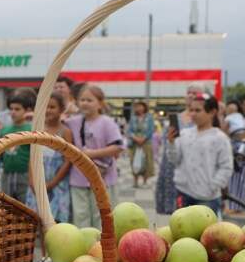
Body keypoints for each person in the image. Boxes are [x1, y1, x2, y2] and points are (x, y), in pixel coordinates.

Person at [66, 85, 124, 228]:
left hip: (103, 178)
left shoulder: (107, 122)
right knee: (80, 217)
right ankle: (85, 248)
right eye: (82, 100)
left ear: (100, 103)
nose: (85, 103)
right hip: (79, 178)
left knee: (102, 217)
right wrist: (67, 110)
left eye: (89, 100)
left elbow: (118, 147)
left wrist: (91, 154)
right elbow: (56, 124)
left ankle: (101, 248)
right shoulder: (73, 121)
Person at [167, 94, 233, 215]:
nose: (193, 114)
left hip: (207, 198)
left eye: (198, 110)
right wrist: (171, 143)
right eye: (191, 110)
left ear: (212, 112)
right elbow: (174, 159)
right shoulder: (185, 134)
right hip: (183, 192)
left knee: (205, 233)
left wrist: (212, 186)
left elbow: (226, 167)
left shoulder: (220, 138)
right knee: (182, 232)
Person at [25, 92, 73, 223]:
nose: (48, 110)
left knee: (55, 221)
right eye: (45, 107)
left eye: (52, 107)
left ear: (61, 110)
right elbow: (32, 156)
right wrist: (32, 181)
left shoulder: (65, 132)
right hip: (37, 183)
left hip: (57, 184)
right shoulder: (37, 130)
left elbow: (68, 161)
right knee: (38, 219)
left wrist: (52, 183)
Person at [155, 83, 201, 214]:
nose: (191, 95)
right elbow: (168, 141)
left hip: (192, 166)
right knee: (175, 207)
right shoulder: (176, 117)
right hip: (171, 164)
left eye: (195, 93)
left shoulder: (203, 120)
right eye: (189, 92)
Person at [0, 88, 36, 204]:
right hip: (7, 173)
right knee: (7, 204)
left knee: (25, 205)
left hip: (24, 174)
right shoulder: (5, 130)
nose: (13, 112)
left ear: (27, 110)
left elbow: (34, 154)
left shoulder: (31, 129)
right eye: (11, 109)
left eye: (17, 109)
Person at [127, 101, 155, 188]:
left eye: (140, 106)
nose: (138, 108)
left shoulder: (149, 117)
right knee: (134, 161)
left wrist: (143, 138)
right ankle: (135, 181)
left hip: (146, 143)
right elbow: (129, 130)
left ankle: (145, 181)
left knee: (146, 161)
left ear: (144, 107)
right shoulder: (133, 118)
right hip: (134, 143)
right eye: (137, 106)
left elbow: (151, 129)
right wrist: (135, 138)